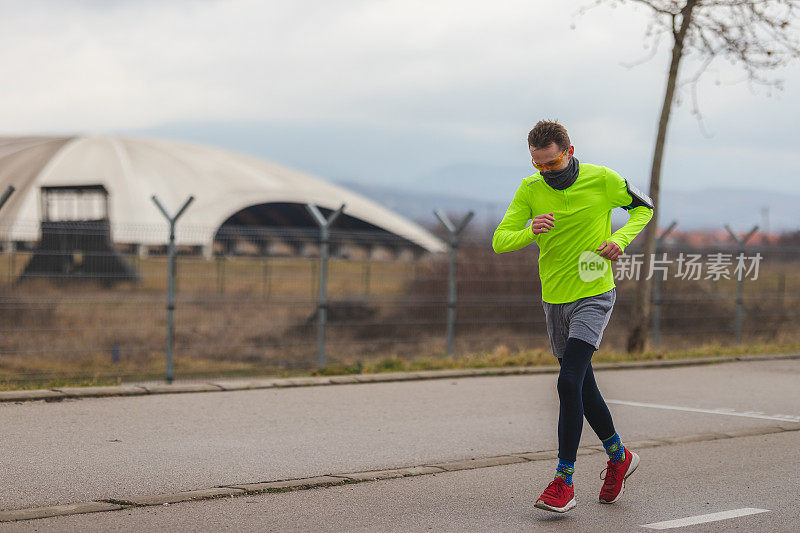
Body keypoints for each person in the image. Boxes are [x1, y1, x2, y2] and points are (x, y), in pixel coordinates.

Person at [492, 120, 654, 513]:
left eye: (551, 162)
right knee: (583, 386)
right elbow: (500, 240)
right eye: (538, 164)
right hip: (555, 299)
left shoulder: (603, 179)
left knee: (567, 382)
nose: (545, 172)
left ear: (570, 151)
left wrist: (618, 240)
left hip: (594, 292)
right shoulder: (530, 190)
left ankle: (563, 481)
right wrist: (531, 229)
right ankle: (619, 456)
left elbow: (643, 209)